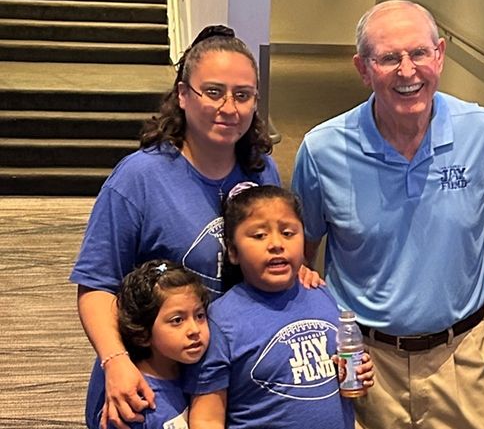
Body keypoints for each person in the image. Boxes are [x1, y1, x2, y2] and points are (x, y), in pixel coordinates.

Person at [290, 0, 484, 428]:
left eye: (419, 53)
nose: (407, 71)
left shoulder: (483, 131)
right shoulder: (322, 149)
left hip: (464, 359)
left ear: (440, 55)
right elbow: (301, 254)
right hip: (365, 364)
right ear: (363, 68)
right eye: (388, 58)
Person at [71, 25, 320, 429]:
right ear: (184, 96)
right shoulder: (139, 179)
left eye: (243, 95)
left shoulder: (261, 170)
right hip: (153, 388)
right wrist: (115, 362)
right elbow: (97, 285)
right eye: (214, 92)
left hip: (227, 380)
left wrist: (298, 270)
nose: (229, 107)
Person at [185, 183, 375, 429]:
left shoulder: (320, 294)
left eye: (288, 233)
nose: (276, 244)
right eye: (259, 235)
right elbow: (206, 418)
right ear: (232, 251)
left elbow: (335, 380)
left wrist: (356, 372)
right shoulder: (219, 322)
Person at [86, 260, 210, 429]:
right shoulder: (134, 403)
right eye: (177, 320)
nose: (194, 330)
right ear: (143, 334)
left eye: (199, 316)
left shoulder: (201, 373)